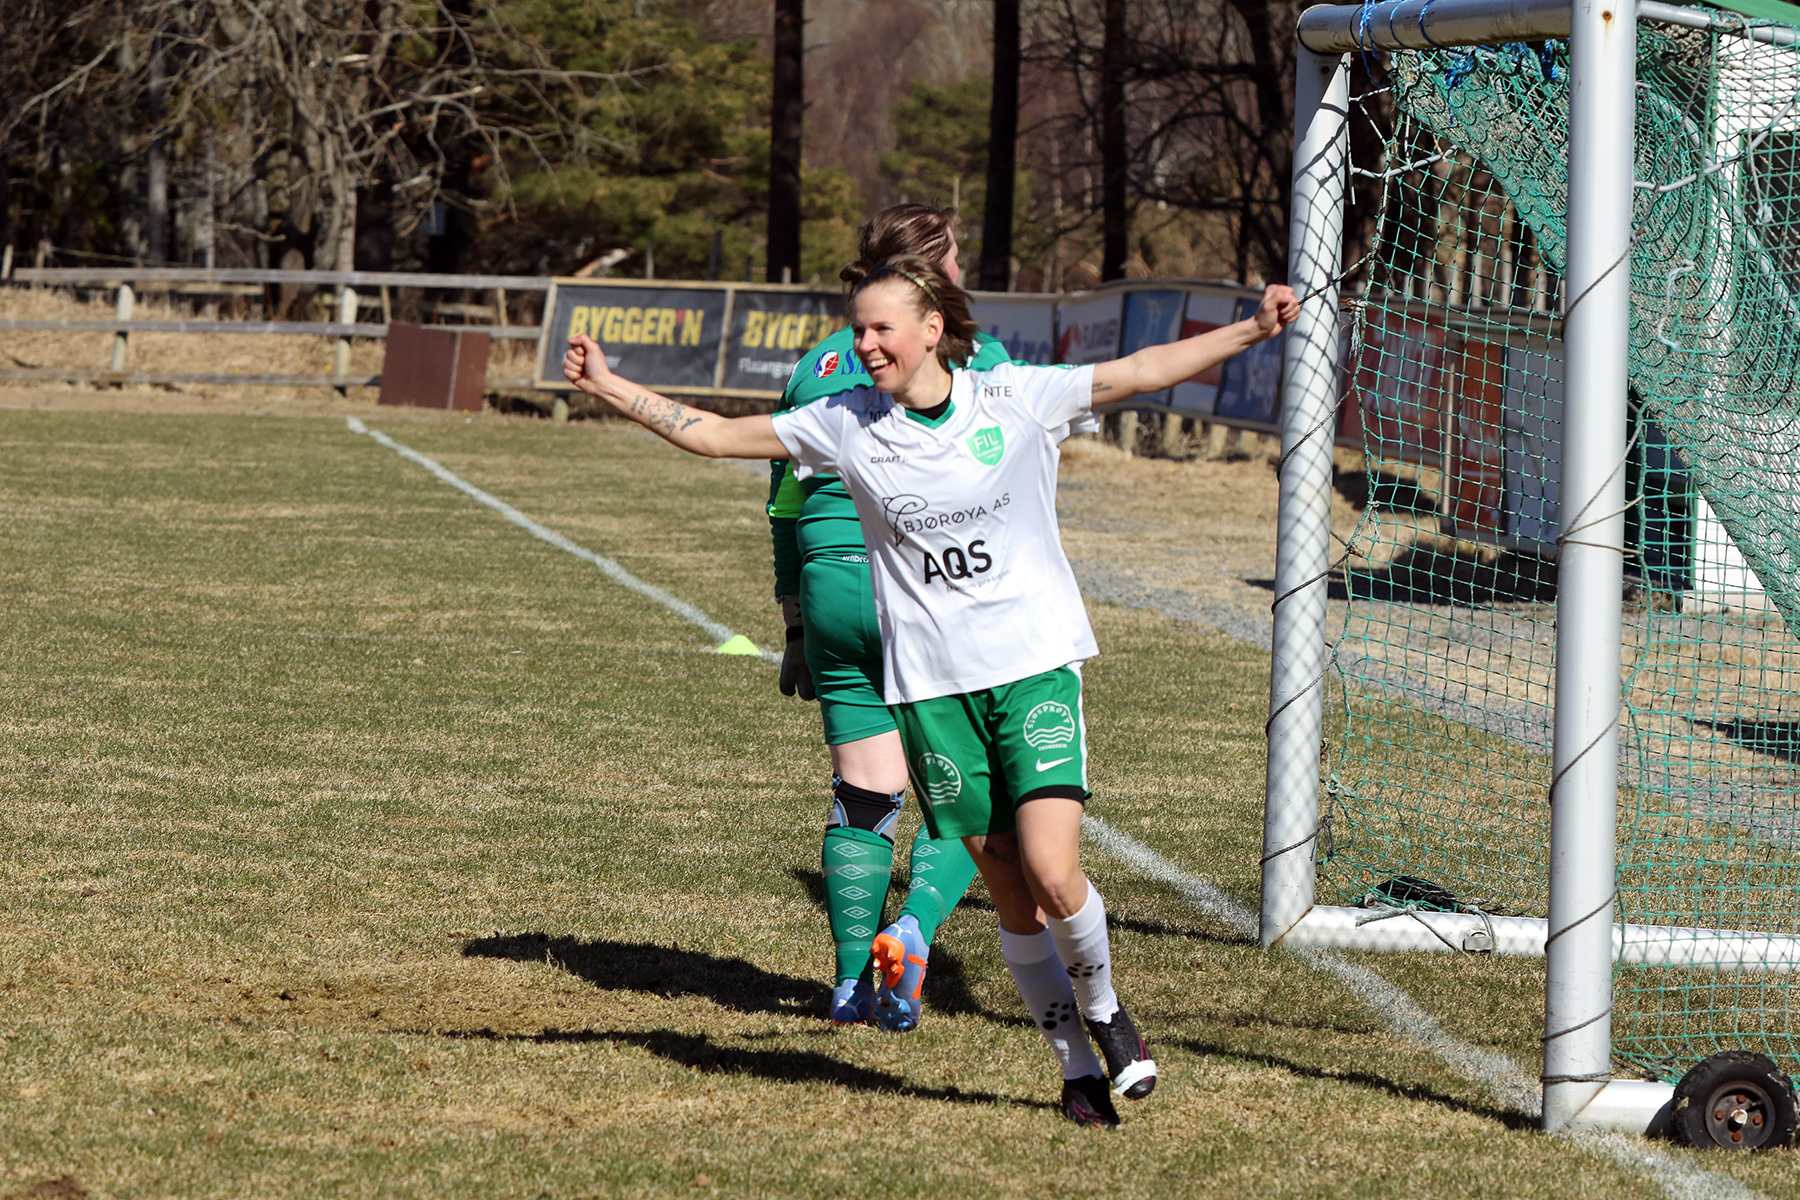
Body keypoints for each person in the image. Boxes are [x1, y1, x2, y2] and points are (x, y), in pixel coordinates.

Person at [562, 256, 1300, 1127]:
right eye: (858, 327)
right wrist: (610, 385)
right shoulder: (845, 424)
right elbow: (713, 435)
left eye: (880, 329)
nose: (864, 343)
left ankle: (1105, 1015)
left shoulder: (1013, 399)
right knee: (1013, 897)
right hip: (933, 697)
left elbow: (1137, 372)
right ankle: (1073, 1069)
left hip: (1031, 671)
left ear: (930, 332)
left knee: (1056, 872)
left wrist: (1253, 329)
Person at [767, 205, 1006, 1033]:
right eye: (958, 253)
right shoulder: (972, 353)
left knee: (864, 794)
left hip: (831, 585)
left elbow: (784, 508)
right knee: (964, 794)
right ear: (935, 269)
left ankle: (843, 984)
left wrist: (798, 626)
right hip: (921, 583)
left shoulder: (813, 365)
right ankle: (911, 932)